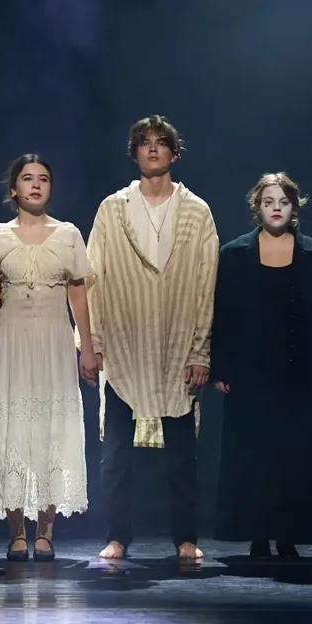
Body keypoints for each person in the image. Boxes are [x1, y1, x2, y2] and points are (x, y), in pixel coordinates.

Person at [87, 116, 219, 564]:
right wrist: (94, 342)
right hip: (125, 345)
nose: (153, 149)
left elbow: (205, 284)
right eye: (144, 143)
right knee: (116, 456)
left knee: (182, 457)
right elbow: (93, 277)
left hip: (177, 344)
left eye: (161, 143)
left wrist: (200, 349)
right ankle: (117, 536)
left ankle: (185, 538)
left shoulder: (196, 212)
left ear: (174, 153)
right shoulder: (113, 209)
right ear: (135, 153)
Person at [0, 155, 96, 561]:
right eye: (27, 178)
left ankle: (45, 531)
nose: (35, 185)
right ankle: (16, 532)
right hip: (11, 340)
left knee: (51, 428)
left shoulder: (68, 235)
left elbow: (78, 294)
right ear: (14, 189)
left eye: (43, 178)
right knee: (12, 428)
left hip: (54, 340)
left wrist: (87, 346)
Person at [213, 173, 312, 560]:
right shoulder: (234, 254)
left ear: (294, 207)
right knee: (254, 455)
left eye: (283, 202)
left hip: (299, 372)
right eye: (269, 202)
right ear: (258, 207)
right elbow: (222, 314)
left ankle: (289, 535)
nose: (277, 208)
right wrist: (221, 367)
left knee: (295, 455)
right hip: (250, 372)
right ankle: (257, 534)